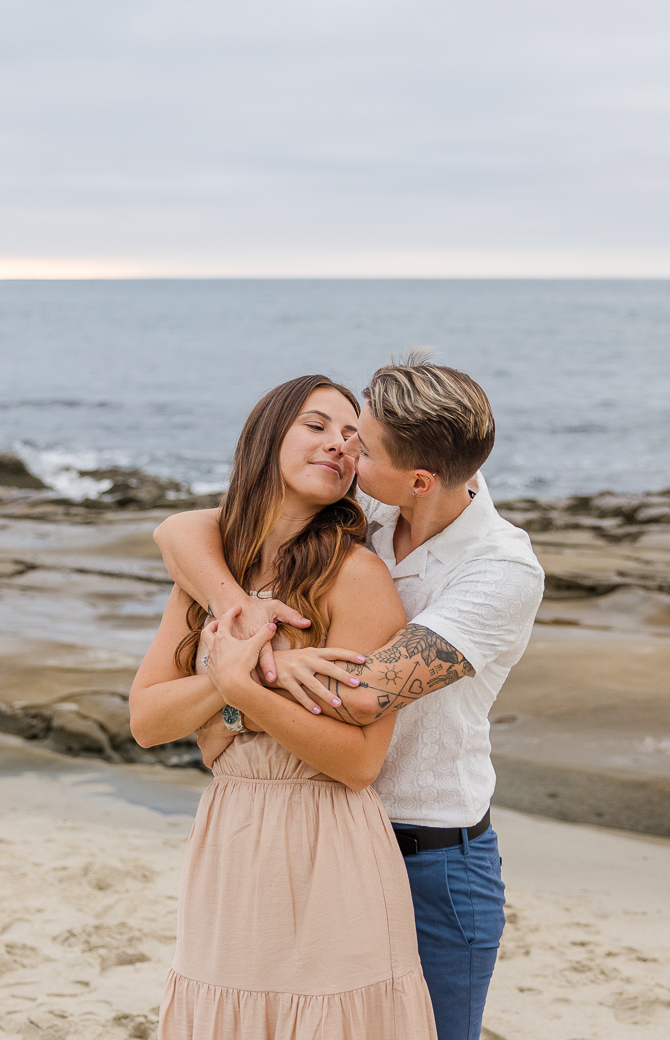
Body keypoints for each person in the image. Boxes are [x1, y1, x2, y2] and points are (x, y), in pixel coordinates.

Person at [155, 353, 545, 1040]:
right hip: (310, 832)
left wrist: (239, 677)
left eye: (360, 445)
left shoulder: (499, 572)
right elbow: (180, 531)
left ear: (417, 480)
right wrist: (242, 610)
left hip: (430, 853)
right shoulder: (368, 499)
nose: (345, 449)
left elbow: (362, 699)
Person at [130, 375, 437, 1040]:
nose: (339, 444)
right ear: (267, 437)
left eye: (353, 437)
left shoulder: (352, 574)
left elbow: (357, 764)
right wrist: (235, 675)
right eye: (317, 425)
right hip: (230, 834)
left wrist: (240, 692)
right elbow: (148, 721)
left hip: (328, 841)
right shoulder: (214, 573)